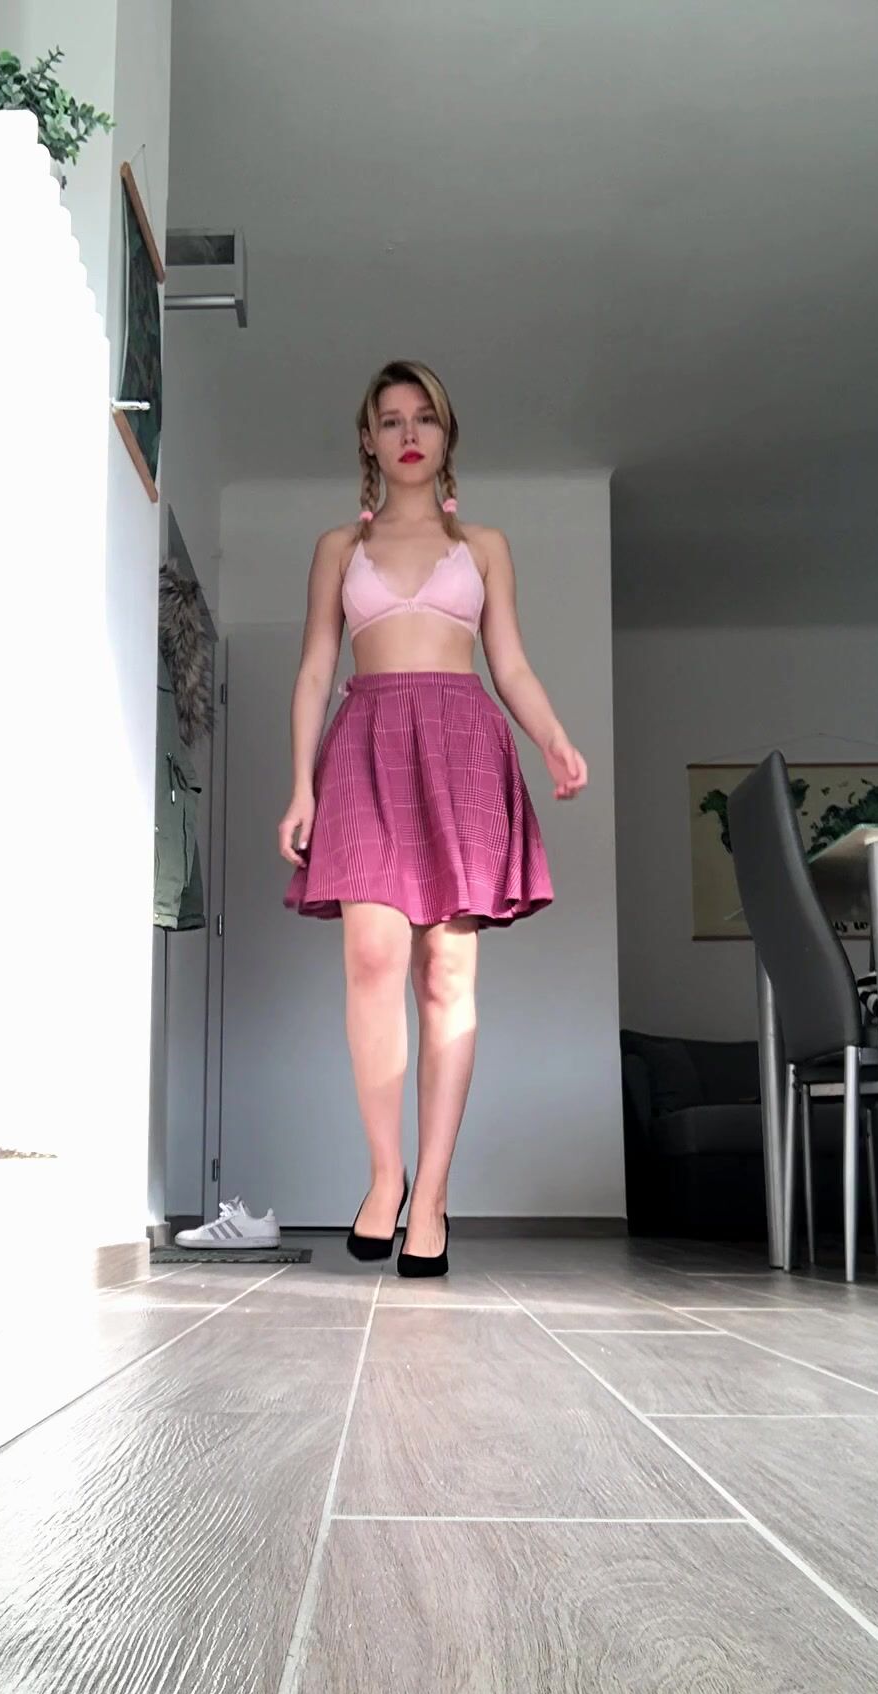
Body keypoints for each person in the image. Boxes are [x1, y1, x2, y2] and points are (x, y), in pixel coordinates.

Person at [278, 359, 587, 1278]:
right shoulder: (338, 547)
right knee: (372, 954)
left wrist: (553, 739)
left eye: (425, 418)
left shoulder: (483, 545)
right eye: (391, 420)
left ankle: (434, 1197)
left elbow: (510, 664)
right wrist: (300, 786)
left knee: (447, 972)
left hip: (461, 746)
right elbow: (314, 669)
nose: (409, 433)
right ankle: (386, 1177)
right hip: (365, 745)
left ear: (447, 436)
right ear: (368, 440)